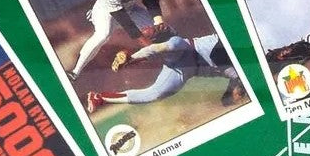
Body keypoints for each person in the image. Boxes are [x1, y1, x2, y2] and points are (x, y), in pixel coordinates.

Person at [85, 28, 247, 111]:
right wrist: (131, 58)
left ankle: (100, 97)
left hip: (192, 65)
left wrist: (237, 82)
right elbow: (155, 49)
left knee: (230, 100)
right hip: (187, 55)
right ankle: (101, 96)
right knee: (167, 48)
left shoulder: (238, 71)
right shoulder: (174, 45)